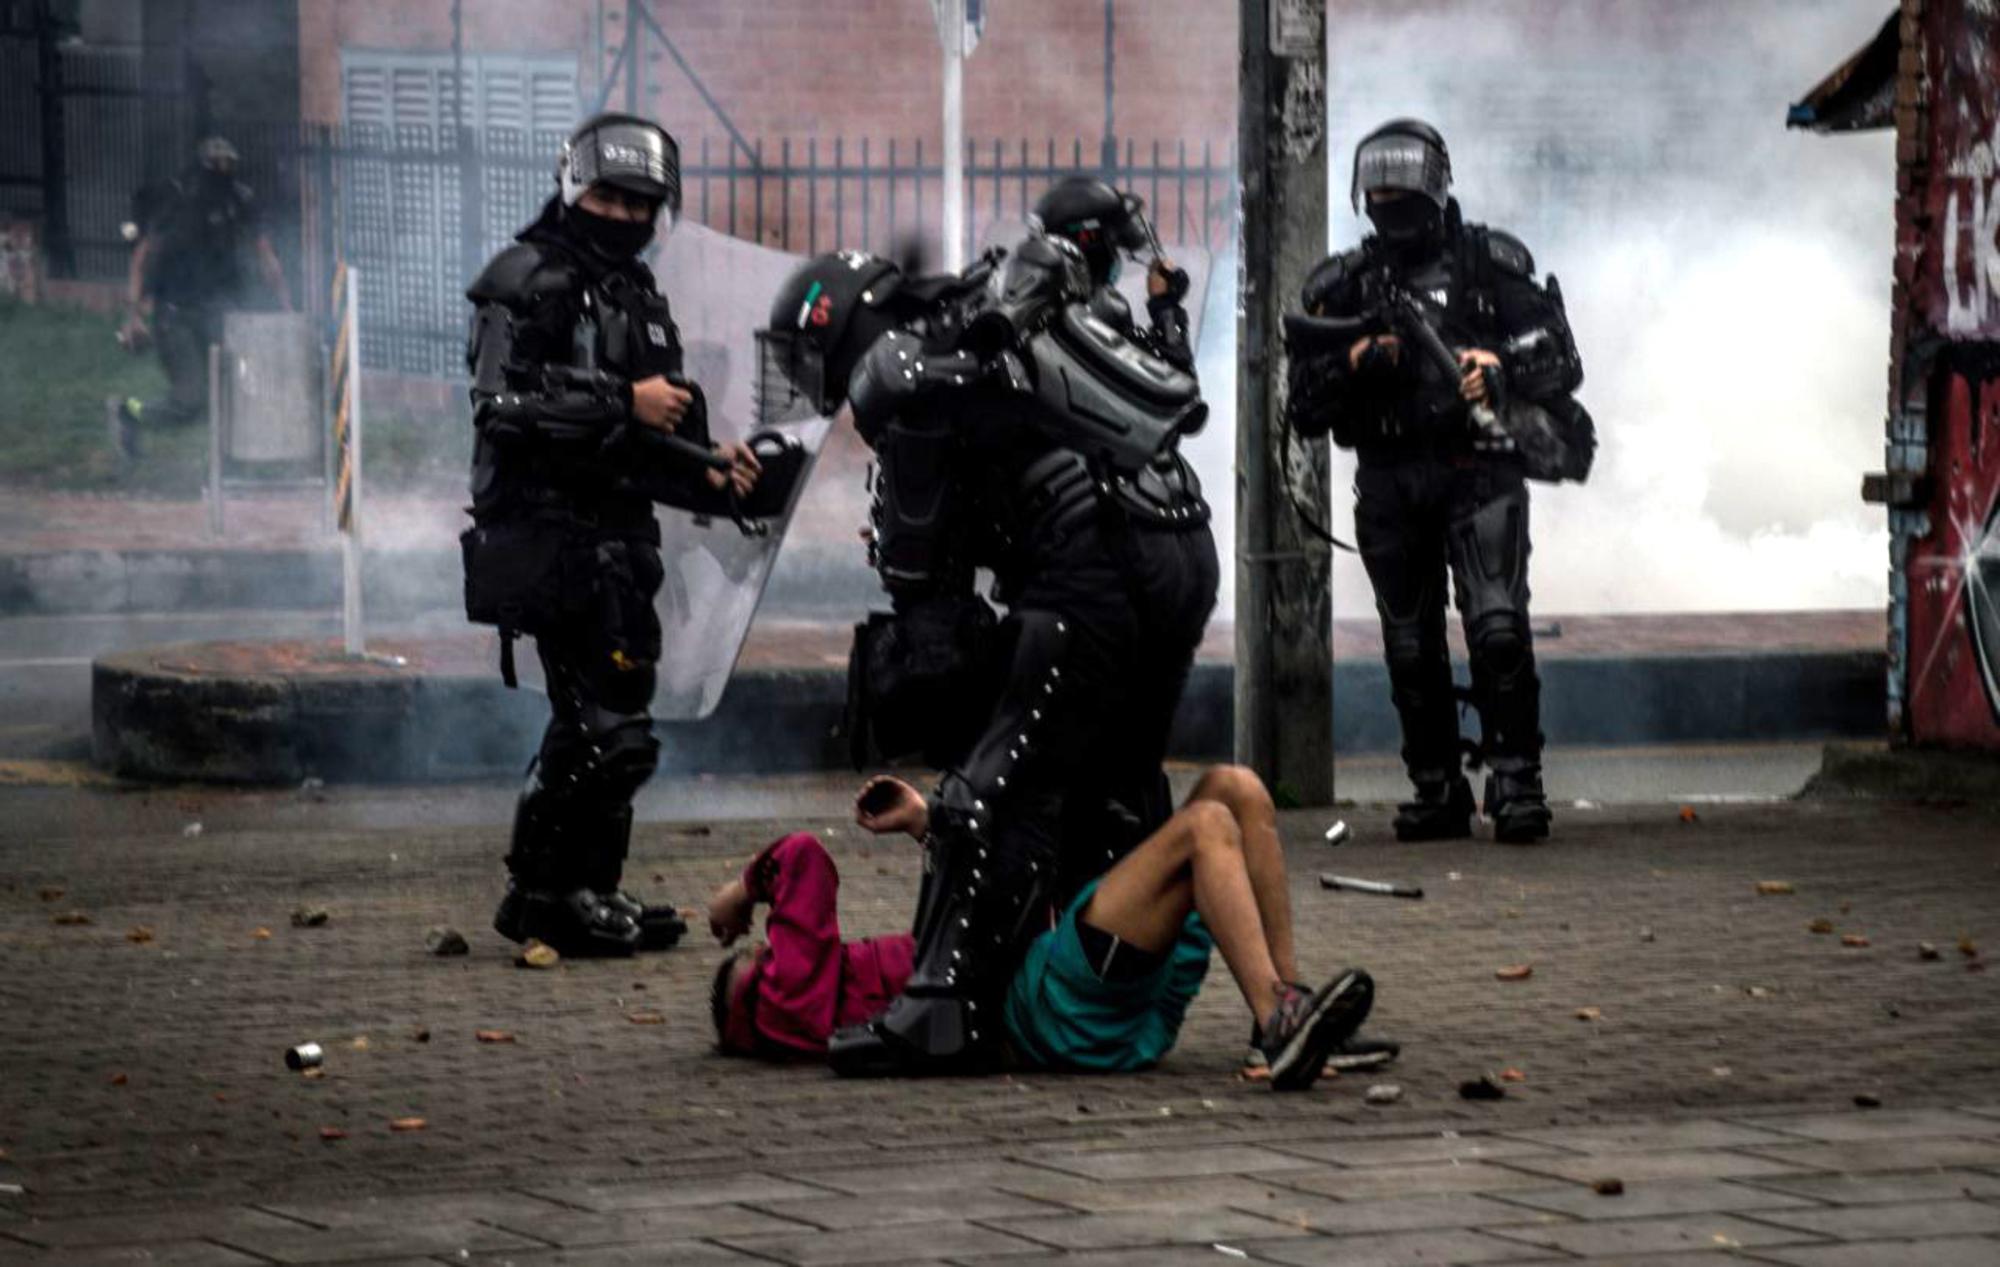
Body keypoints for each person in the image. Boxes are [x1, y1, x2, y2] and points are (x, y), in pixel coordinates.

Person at [757, 194, 1217, 1076]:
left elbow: (924, 595)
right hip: (1177, 547)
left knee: (990, 788)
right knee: (1112, 779)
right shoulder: (999, 322)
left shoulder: (909, 373)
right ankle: (1099, 987)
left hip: (1085, 572)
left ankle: (941, 1010)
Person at [460, 112, 764, 957]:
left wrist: (705, 468)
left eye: (643, 203)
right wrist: (622, 402)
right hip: (549, 537)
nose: (626, 217)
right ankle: (542, 894)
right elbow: (501, 408)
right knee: (602, 728)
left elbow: (643, 445)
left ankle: (586, 887)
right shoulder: (522, 279)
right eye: (612, 197)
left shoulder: (633, 292)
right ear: (573, 186)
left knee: (615, 725)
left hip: (619, 540)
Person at [1286, 119, 1592, 845]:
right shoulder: (1344, 284)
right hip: (1391, 480)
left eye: (1402, 180)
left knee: (1496, 628)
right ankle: (1436, 787)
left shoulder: (1490, 265)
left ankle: (1518, 782)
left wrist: (1500, 367)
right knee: (1409, 645)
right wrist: (1356, 361)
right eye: (1378, 183)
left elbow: (1562, 359)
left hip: (1479, 470)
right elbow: (1302, 405)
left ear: (1435, 183)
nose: (1389, 195)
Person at [707, 766, 1385, 1090]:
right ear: (751, 999)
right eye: (761, 954)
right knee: (1206, 827)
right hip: (1048, 1005)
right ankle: (1279, 1020)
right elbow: (804, 859)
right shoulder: (781, 1007)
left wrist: (925, 820)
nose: (774, 945)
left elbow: (958, 916)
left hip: (1069, 986)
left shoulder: (837, 992)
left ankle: (1285, 1006)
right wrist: (738, 895)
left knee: (1234, 788)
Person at [112, 136, 292, 456]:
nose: (224, 171)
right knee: (191, 400)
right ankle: (130, 413)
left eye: (229, 164)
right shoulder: (178, 198)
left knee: (233, 393)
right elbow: (143, 255)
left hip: (220, 309)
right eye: (217, 165)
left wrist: (286, 306)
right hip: (175, 313)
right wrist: (134, 316)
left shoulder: (239, 199)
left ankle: (228, 466)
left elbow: (265, 255)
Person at [1028, 175, 1193, 373]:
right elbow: (1175, 378)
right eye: (1113, 247)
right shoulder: (1104, 310)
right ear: (1091, 245)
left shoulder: (1033, 306)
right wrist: (1166, 308)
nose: (1116, 257)